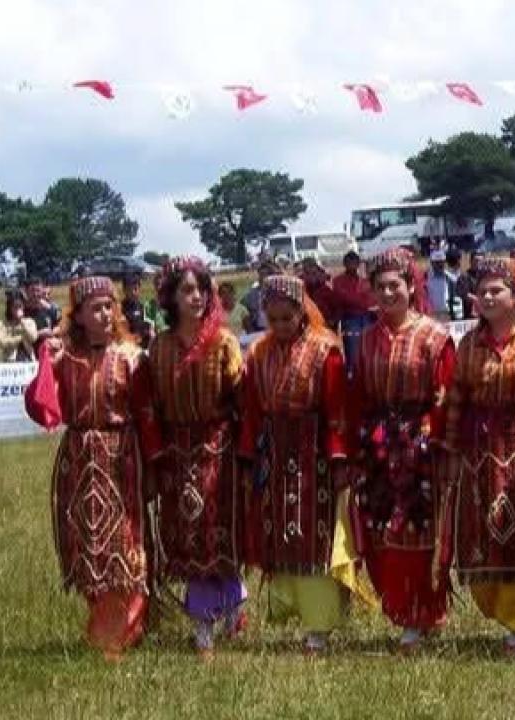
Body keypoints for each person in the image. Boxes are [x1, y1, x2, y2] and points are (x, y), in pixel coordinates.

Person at [23, 276, 151, 660]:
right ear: (77, 316)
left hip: (121, 456)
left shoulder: (131, 356)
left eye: (108, 305)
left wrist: (155, 462)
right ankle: (106, 627)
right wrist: (45, 355)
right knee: (88, 546)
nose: (105, 313)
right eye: (95, 307)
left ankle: (124, 629)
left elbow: (146, 412)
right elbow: (40, 404)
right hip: (79, 458)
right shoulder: (67, 359)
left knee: (125, 544)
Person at [442, 258, 515, 655]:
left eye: (498, 290)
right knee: (483, 533)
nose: (489, 297)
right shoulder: (469, 344)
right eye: (484, 291)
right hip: (479, 450)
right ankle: (499, 611)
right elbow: (456, 397)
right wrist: (454, 449)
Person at [138, 258, 247, 660]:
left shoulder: (224, 342)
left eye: (202, 288)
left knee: (216, 538)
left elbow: (243, 401)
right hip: (176, 454)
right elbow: (148, 407)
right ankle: (221, 612)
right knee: (187, 540)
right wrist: (156, 456)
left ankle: (208, 625)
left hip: (218, 450)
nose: (197, 296)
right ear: (171, 297)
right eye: (187, 289)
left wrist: (248, 454)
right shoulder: (159, 347)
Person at [347, 249, 455, 653]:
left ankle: (419, 614)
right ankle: (402, 610)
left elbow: (445, 395)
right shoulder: (367, 339)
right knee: (379, 533)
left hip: (418, 444)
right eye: (380, 286)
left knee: (415, 532)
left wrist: (437, 444)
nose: (389, 292)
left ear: (412, 287)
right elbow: (358, 396)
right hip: (376, 446)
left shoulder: (434, 336)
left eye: (396, 284)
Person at [238, 275, 353, 655]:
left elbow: (337, 410)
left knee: (314, 539)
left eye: (288, 318)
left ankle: (319, 627)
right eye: (274, 320)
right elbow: (252, 412)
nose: (282, 326)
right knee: (280, 536)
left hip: (313, 457)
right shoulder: (258, 354)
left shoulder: (326, 351)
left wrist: (338, 459)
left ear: (303, 313)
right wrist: (249, 457)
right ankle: (293, 610)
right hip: (275, 455)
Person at [334, 251, 377, 366]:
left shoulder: (364, 281)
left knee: (368, 351)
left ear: (358, 264)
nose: (352, 265)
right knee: (352, 353)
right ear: (345, 263)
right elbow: (345, 298)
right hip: (350, 319)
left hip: (367, 318)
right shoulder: (338, 281)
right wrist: (362, 301)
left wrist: (363, 302)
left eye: (355, 262)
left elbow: (372, 300)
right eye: (349, 262)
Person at [240, 260, 281, 334]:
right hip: (258, 329)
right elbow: (241, 307)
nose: (262, 277)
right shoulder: (252, 293)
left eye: (265, 274)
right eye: (261, 274)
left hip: (276, 328)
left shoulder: (279, 293)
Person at [0, 292, 39, 362]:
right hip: (11, 360)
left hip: (28, 358)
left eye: (20, 306)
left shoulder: (29, 321)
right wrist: (20, 338)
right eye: (15, 307)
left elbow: (33, 338)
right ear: (10, 308)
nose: (18, 309)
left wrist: (22, 322)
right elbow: (3, 342)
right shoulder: (2, 324)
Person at [121, 275, 155, 347]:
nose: (133, 292)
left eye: (135, 289)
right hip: (129, 347)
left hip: (145, 347)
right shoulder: (120, 309)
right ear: (124, 290)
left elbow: (150, 328)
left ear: (139, 289)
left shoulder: (143, 307)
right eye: (130, 290)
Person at [425, 249, 457, 321]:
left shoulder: (450, 277)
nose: (440, 265)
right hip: (431, 314)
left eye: (441, 262)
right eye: (437, 262)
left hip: (445, 313)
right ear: (432, 263)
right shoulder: (426, 277)